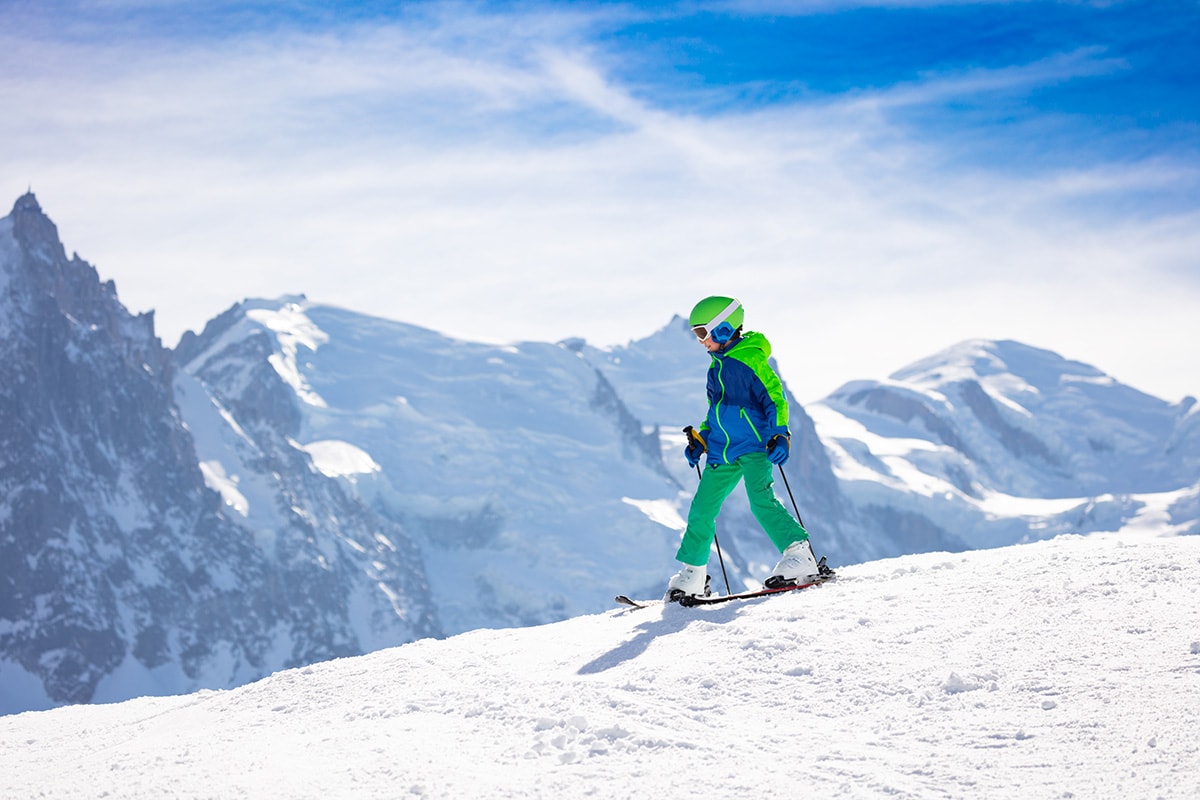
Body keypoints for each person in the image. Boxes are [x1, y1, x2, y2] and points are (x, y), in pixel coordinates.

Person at [666, 295, 820, 601]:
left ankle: (799, 554)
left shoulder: (750, 361)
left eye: (701, 333)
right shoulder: (716, 368)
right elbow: (716, 411)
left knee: (760, 500)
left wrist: (780, 433)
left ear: (722, 330)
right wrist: (703, 439)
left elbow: (775, 398)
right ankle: (694, 574)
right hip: (723, 450)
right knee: (701, 510)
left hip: (753, 445)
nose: (700, 341)